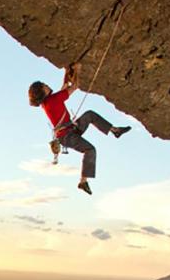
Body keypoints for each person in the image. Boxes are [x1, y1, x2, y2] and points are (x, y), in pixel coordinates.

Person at [28, 63, 130, 195]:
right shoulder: (52, 101)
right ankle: (83, 181)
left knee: (89, 115)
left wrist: (67, 72)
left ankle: (115, 130)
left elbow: (64, 88)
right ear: (42, 91)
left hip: (70, 131)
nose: (47, 85)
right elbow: (74, 86)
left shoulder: (48, 102)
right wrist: (77, 70)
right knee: (90, 149)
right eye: (44, 85)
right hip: (67, 137)